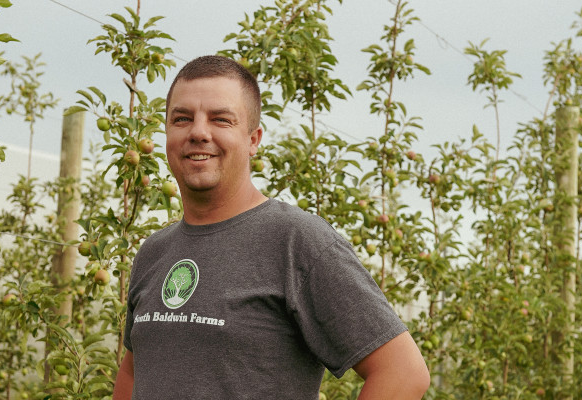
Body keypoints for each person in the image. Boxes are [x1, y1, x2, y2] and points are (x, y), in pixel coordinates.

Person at [113, 55, 429, 399]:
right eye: (182, 119)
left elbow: (403, 372)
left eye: (221, 119)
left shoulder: (296, 241)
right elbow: (133, 371)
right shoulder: (154, 252)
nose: (198, 132)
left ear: (253, 139)